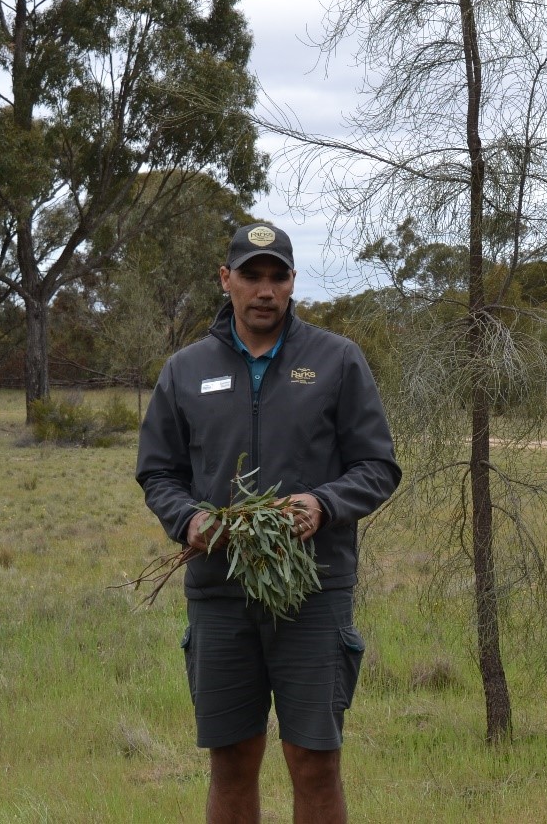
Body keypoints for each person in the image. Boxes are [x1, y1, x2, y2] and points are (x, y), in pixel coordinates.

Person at [138, 222, 401, 824]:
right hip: (219, 592)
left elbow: (378, 465)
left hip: (313, 590)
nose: (264, 290)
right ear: (225, 280)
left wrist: (323, 505)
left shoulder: (336, 360)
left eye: (276, 276)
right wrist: (189, 520)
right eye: (251, 276)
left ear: (291, 283)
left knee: (314, 759)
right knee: (231, 758)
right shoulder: (185, 370)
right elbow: (158, 473)